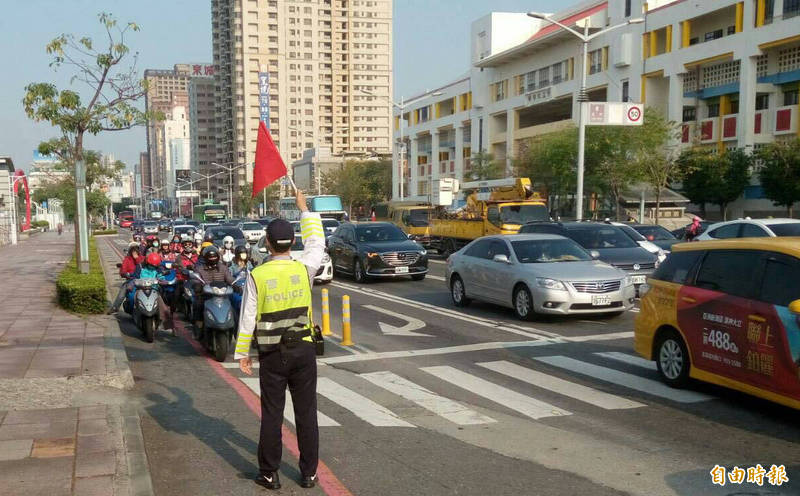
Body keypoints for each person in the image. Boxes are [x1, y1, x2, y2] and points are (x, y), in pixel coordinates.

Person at [235, 189, 325, 490]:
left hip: (273, 355)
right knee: (306, 414)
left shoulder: (257, 275)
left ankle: (270, 473)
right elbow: (317, 243)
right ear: (292, 242)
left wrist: (242, 354)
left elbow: (247, 317)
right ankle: (310, 473)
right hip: (303, 351)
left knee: (272, 414)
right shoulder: (304, 269)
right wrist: (305, 210)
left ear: (269, 243)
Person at [192, 246, 235, 327]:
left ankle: (235, 327)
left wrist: (235, 284)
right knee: (198, 305)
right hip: (206, 296)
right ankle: (198, 325)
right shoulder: (199, 269)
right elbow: (196, 280)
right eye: (210, 257)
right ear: (205, 258)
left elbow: (229, 278)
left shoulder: (223, 267)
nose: (213, 258)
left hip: (222, 296)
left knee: (234, 307)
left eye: (214, 256)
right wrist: (197, 286)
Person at [133, 252, 174, 332]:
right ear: (147, 262)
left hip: (154, 290)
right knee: (135, 301)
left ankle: (169, 326)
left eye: (155, 266)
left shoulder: (158, 268)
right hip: (140, 290)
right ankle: (136, 317)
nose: (153, 267)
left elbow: (160, 276)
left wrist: (162, 280)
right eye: (151, 265)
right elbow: (135, 277)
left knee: (163, 308)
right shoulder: (140, 267)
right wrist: (134, 282)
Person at [107, 243, 141, 314]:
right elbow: (123, 270)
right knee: (122, 292)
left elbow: (143, 265)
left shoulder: (142, 258)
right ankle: (115, 308)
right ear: (130, 251)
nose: (134, 251)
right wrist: (125, 274)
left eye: (136, 249)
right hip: (131, 279)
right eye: (133, 250)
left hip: (144, 280)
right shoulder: (127, 259)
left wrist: (137, 258)